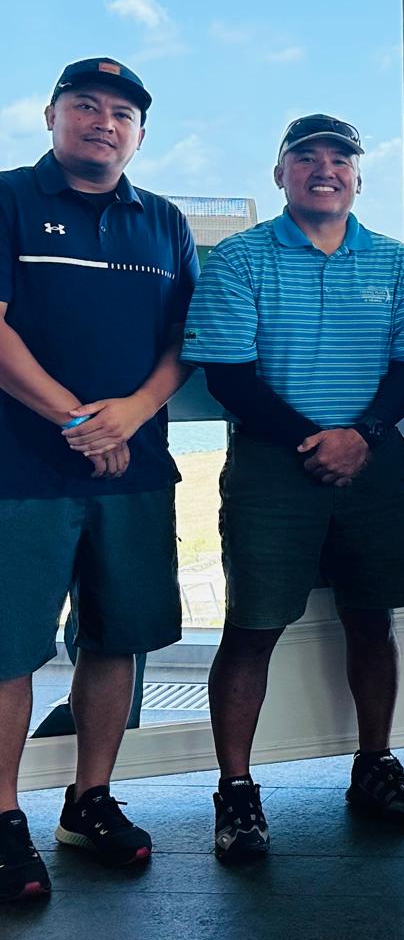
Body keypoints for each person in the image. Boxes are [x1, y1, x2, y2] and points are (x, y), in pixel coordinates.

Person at [182, 114, 404, 865]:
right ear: (281, 174)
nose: (324, 169)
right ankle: (236, 790)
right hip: (272, 465)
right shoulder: (239, 258)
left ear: (358, 178)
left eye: (340, 159)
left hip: (372, 461)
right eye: (306, 157)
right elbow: (228, 374)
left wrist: (360, 434)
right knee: (253, 626)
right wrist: (317, 439)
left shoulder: (396, 263)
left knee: (373, 618)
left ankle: (375, 765)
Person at [0, 59, 196, 901]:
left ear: (139, 134)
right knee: (8, 649)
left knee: (116, 638)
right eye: (85, 105)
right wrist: (78, 421)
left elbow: (186, 342)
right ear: (51, 116)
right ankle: (3, 818)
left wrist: (136, 413)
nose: (103, 122)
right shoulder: (9, 198)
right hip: (19, 472)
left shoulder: (165, 222)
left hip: (134, 470)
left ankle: (90, 801)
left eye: (122, 113)